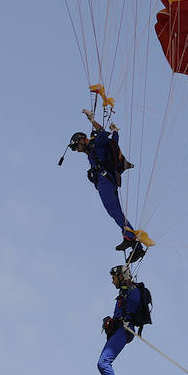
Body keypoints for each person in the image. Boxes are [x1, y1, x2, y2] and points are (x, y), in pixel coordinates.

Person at [69, 108, 147, 263]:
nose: (78, 151)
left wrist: (92, 120)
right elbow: (114, 139)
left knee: (113, 211)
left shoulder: (97, 143)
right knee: (117, 213)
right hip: (108, 181)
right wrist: (116, 132)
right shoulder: (94, 149)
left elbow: (103, 132)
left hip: (105, 180)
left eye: (77, 147)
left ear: (81, 140)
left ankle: (130, 237)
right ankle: (136, 248)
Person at [95, 264, 150, 375]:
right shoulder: (124, 293)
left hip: (124, 330)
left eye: (114, 278)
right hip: (119, 330)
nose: (112, 282)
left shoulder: (132, 292)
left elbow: (133, 304)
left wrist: (128, 285)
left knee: (103, 362)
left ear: (121, 277)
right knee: (102, 362)